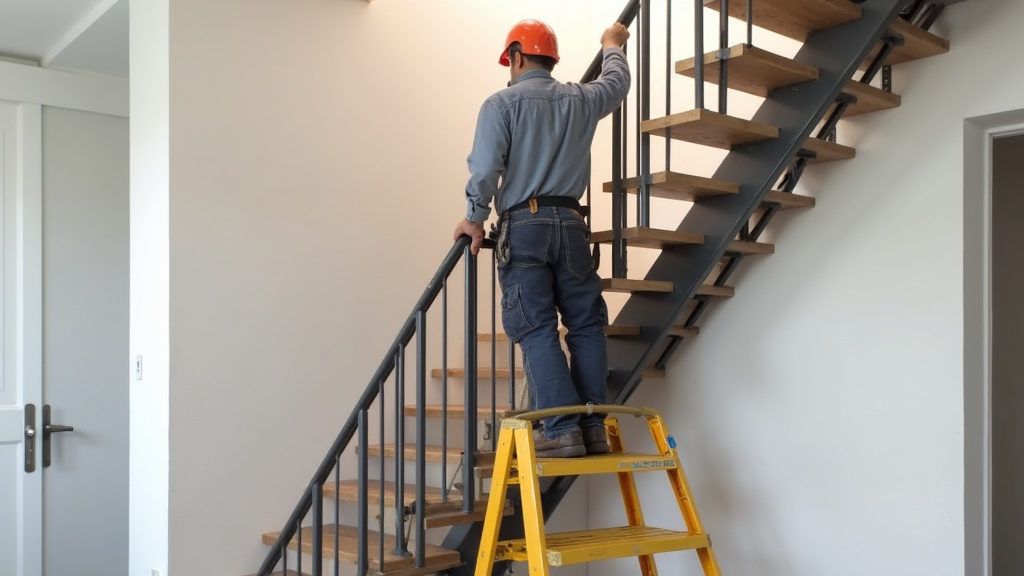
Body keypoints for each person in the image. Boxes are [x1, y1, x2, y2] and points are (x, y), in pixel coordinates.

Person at [452, 19, 631, 457]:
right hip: (571, 224)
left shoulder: (500, 104)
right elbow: (617, 82)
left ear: (514, 57)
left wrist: (474, 218)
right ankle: (591, 428)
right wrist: (612, 45)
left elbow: (486, 169)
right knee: (586, 324)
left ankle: (559, 430)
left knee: (535, 328)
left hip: (524, 225)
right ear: (552, 59)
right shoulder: (581, 98)